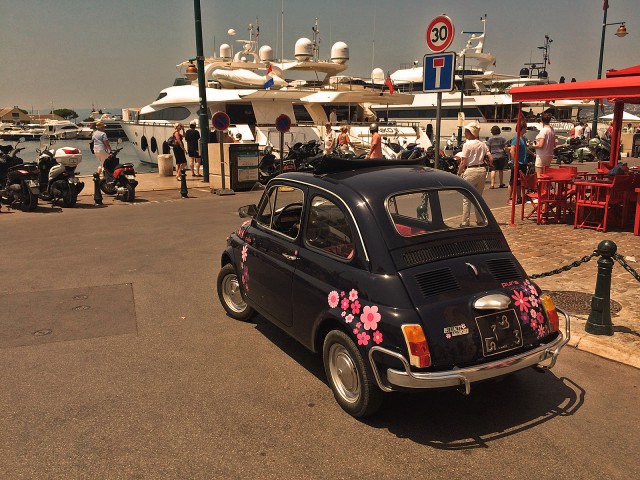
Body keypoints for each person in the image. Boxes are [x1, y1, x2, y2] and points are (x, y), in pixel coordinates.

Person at [455, 122, 493, 226]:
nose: (465, 133)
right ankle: (480, 220)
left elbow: (463, 162)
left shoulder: (467, 144)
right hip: (482, 170)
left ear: (471, 133)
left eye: (466, 131)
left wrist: (459, 173)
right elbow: (491, 159)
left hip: (471, 170)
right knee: (478, 197)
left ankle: (465, 221)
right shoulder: (483, 144)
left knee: (466, 198)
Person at [507, 118, 531, 205]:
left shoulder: (523, 138)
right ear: (522, 128)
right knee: (513, 181)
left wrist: (532, 154)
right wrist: (515, 161)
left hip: (523, 162)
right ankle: (509, 198)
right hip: (518, 163)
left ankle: (519, 197)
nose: (526, 129)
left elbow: (526, 148)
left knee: (519, 182)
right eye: (525, 127)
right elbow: (512, 150)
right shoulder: (516, 138)